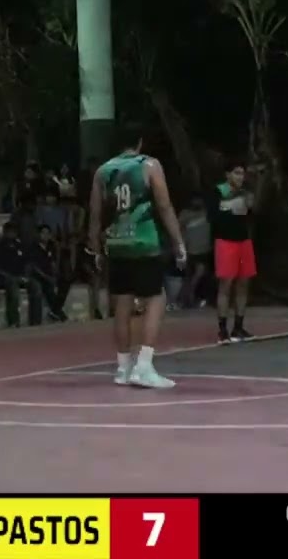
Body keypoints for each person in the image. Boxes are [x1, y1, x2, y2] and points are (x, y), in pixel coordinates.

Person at [89, 124, 187, 388]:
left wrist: (95, 248)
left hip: (116, 243)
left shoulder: (102, 171)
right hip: (143, 242)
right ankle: (144, 365)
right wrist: (178, 242)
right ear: (140, 142)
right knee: (157, 297)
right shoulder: (149, 165)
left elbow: (95, 214)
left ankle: (123, 367)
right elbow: (164, 206)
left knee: (122, 302)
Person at [211, 163, 256, 343]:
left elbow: (251, 215)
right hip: (225, 242)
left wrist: (250, 206)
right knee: (226, 285)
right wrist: (230, 208)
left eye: (242, 174)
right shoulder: (217, 191)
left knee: (243, 284)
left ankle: (238, 327)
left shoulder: (246, 193)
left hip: (244, 241)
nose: (240, 177)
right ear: (228, 174)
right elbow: (212, 217)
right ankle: (223, 330)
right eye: (237, 173)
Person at [0, 222, 41, 327]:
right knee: (14, 291)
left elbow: (28, 263)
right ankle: (14, 321)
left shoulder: (20, 245)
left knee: (36, 286)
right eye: (9, 232)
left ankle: (35, 321)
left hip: (20, 277)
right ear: (5, 232)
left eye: (13, 232)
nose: (12, 234)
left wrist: (26, 275)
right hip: (4, 278)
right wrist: (7, 276)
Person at [177, 196, 211, 308]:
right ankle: (185, 299)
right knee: (189, 276)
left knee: (200, 273)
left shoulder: (206, 213)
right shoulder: (185, 214)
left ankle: (190, 296)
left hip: (204, 249)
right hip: (189, 250)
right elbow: (179, 230)